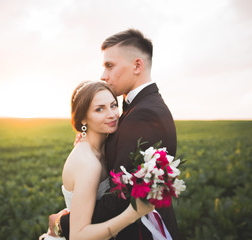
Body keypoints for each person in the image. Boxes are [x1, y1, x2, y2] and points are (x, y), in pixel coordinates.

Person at [57, 29, 182, 240]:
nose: (103, 75)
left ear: (136, 65)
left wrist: (64, 223)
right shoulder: (139, 107)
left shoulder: (144, 113)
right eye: (100, 109)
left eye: (110, 65)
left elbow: (121, 196)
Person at [39, 81, 155, 240]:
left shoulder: (104, 146)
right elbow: (78, 235)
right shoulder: (88, 163)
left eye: (113, 105)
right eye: (99, 109)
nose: (112, 114)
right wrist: (133, 214)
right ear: (83, 118)